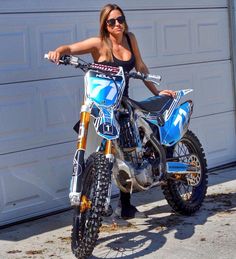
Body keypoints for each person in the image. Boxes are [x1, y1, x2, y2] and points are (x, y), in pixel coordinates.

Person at [47, 3, 175, 219]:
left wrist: (158, 90)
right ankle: (95, 199)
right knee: (98, 152)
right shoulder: (99, 43)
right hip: (102, 105)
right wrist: (58, 52)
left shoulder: (130, 38)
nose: (118, 24)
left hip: (122, 102)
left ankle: (125, 206)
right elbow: (70, 48)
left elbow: (141, 68)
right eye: (112, 21)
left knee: (130, 152)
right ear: (105, 25)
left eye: (120, 19)